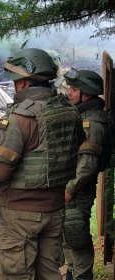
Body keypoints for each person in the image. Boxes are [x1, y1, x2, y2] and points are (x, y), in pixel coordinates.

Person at [0, 48, 84, 279]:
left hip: (21, 215)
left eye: (16, 80)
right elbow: (75, 147)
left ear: (25, 82)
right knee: (49, 273)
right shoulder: (69, 110)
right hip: (55, 209)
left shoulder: (19, 118)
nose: (14, 85)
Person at [63, 68, 111, 280]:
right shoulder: (81, 115)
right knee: (68, 236)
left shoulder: (91, 123)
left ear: (87, 94)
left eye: (74, 89)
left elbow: (87, 164)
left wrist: (70, 188)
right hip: (71, 187)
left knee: (76, 236)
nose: (69, 93)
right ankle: (72, 274)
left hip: (77, 189)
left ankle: (81, 276)